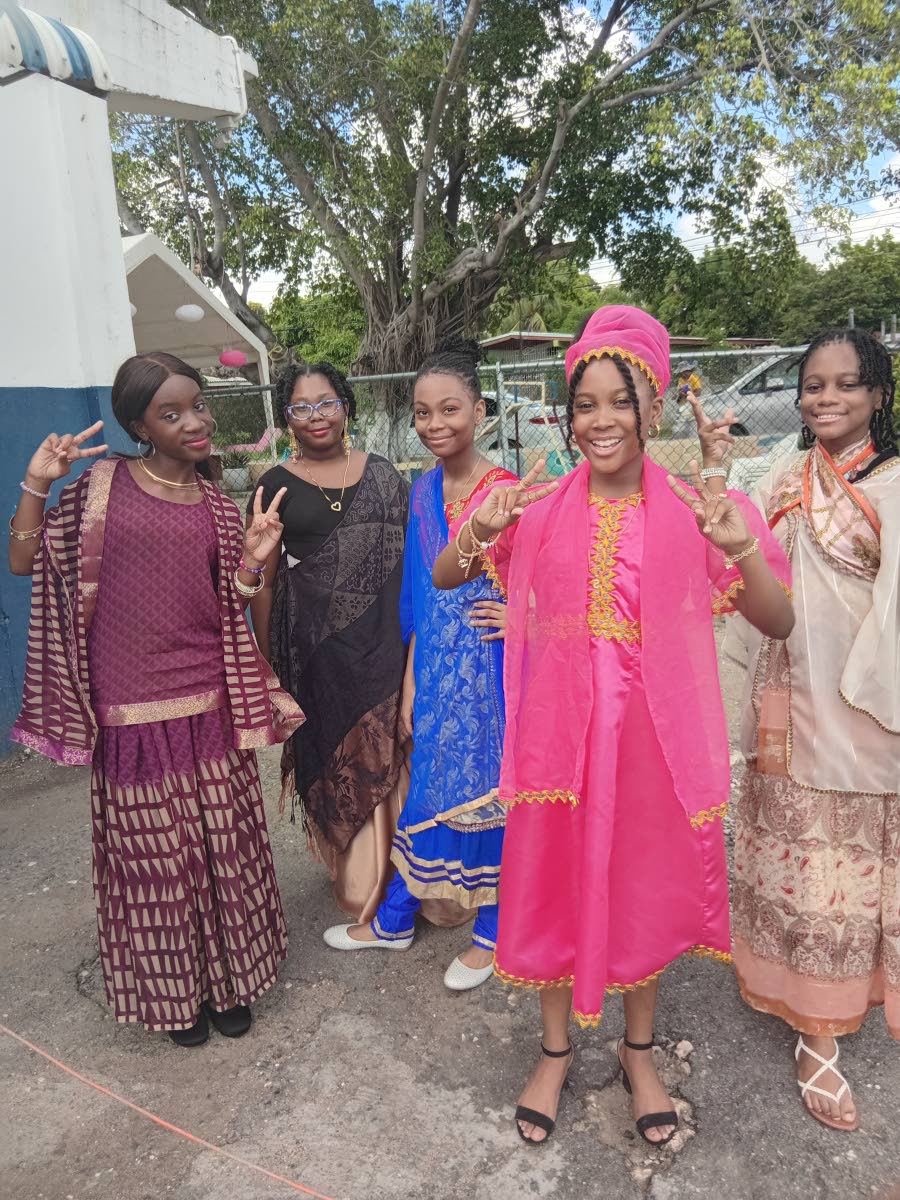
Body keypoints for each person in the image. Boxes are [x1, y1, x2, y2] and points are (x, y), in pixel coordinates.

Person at [432, 306, 794, 1144]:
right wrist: (478, 528)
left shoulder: (698, 506)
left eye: (618, 402)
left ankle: (639, 1051)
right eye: (583, 403)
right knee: (558, 888)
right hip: (558, 747)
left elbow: (775, 621)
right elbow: (454, 576)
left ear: (653, 406)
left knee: (637, 892)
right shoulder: (543, 503)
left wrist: (740, 547)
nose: (599, 421)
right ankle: (555, 1051)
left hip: (651, 751)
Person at [9, 352, 303, 1047]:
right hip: (127, 708)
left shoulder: (217, 506)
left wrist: (257, 558)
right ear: (139, 424)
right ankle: (177, 999)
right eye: (171, 414)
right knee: (155, 862)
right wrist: (35, 484)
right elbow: (25, 561)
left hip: (206, 700)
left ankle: (230, 984)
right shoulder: (100, 486)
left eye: (197, 406)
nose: (194, 422)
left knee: (221, 847)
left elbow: (235, 602)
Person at [704, 328, 899, 1132]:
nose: (826, 399)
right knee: (803, 871)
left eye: (845, 385)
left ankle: (862, 992)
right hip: (785, 702)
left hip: (868, 710)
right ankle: (816, 1032)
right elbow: (734, 563)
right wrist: (713, 464)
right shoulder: (786, 475)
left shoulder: (892, 488)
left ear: (878, 397)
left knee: (861, 872)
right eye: (813, 386)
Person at [323, 339, 516, 990]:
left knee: (489, 801)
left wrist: (522, 617)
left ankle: (491, 934)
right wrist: (409, 682)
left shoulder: (507, 494)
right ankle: (397, 920)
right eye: (423, 413)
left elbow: (554, 589)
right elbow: (416, 598)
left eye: (450, 410)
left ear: (480, 411)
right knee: (427, 794)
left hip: (491, 678)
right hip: (433, 675)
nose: (435, 425)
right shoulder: (423, 490)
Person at [249, 361, 409, 925]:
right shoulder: (274, 483)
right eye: (301, 407)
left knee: (389, 745)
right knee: (333, 752)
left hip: (385, 642)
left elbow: (405, 563)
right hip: (316, 653)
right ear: (286, 417)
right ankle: (355, 867)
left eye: (326, 403)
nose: (315, 416)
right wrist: (268, 662)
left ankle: (407, 874)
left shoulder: (385, 475)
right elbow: (265, 578)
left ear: (346, 406)